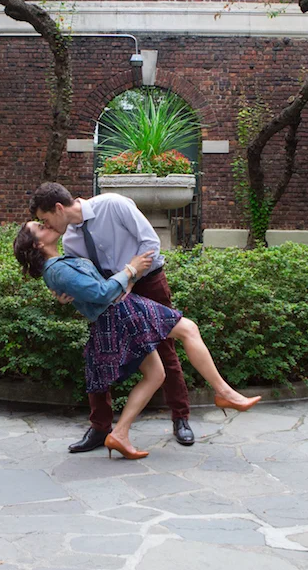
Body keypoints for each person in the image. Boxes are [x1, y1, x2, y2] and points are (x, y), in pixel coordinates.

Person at [13, 220, 260, 459]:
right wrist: (131, 269)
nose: (46, 225)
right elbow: (102, 293)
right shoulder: (57, 270)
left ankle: (120, 434)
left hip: (115, 313)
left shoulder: (60, 264)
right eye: (40, 227)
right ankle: (224, 392)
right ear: (37, 244)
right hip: (121, 311)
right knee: (189, 330)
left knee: (156, 375)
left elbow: (88, 288)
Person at [29, 181, 193, 452]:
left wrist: (131, 277)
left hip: (147, 280)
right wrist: (66, 293)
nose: (46, 225)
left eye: (45, 219)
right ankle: (100, 427)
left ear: (58, 208)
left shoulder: (112, 204)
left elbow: (151, 244)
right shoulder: (69, 241)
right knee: (98, 357)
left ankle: (180, 418)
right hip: (112, 295)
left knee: (165, 348)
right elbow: (83, 278)